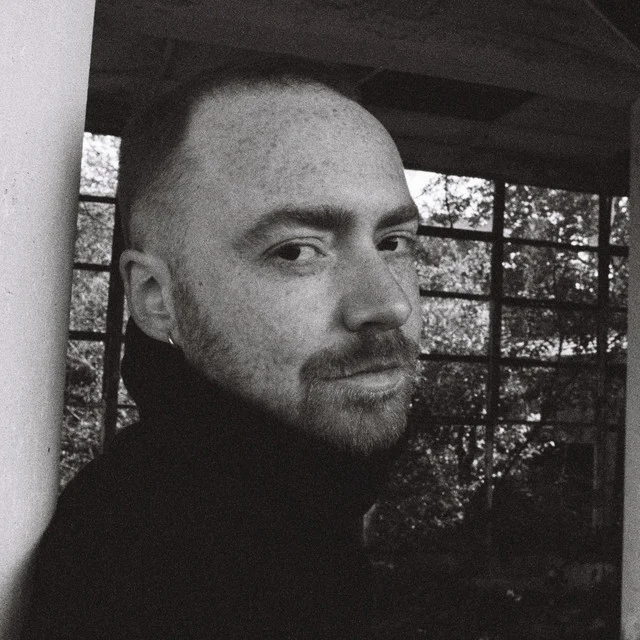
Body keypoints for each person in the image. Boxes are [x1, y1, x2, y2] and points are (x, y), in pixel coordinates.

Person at [21, 60, 422, 639]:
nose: (389, 304)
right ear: (156, 298)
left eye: (393, 242)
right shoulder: (157, 570)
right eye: (295, 251)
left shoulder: (293, 514)